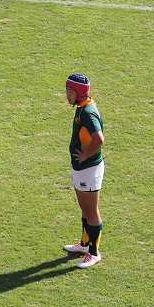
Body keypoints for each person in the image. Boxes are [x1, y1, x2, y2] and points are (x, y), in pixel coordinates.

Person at [62, 73, 105, 268]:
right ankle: (85, 244)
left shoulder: (88, 112)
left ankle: (94, 253)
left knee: (91, 211)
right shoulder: (82, 107)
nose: (67, 95)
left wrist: (86, 155)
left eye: (69, 91)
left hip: (89, 169)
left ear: (79, 93)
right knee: (84, 208)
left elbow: (99, 139)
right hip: (81, 169)